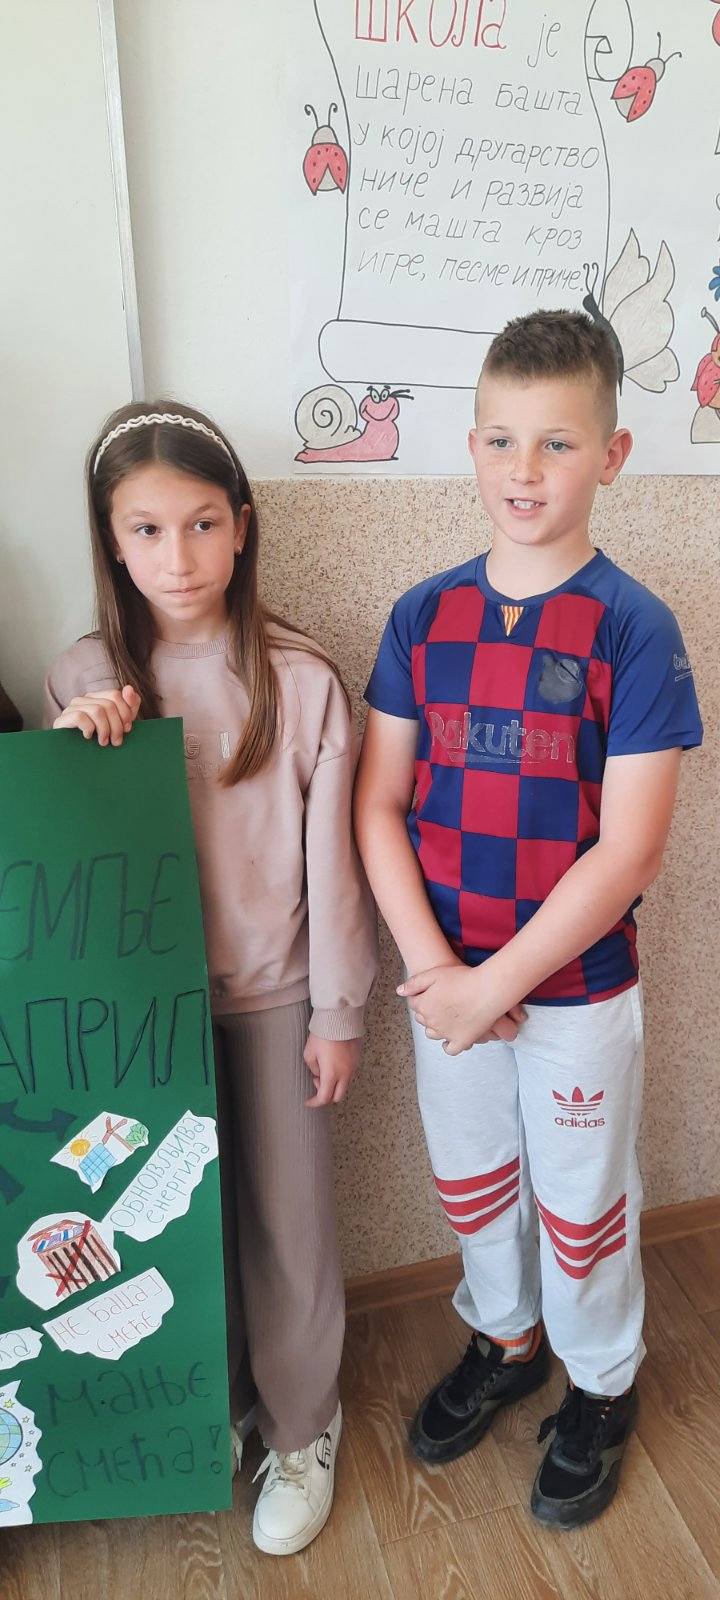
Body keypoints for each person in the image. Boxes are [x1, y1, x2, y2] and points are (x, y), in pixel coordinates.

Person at [354, 311, 703, 1529]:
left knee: (581, 1199)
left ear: (611, 455)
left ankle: (602, 1380)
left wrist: (496, 981)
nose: (525, 468)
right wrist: (439, 970)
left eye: (558, 442)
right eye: (502, 438)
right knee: (474, 1182)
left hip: (574, 994)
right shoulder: (422, 616)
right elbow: (378, 805)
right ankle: (505, 1340)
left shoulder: (634, 627)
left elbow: (630, 848)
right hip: (443, 985)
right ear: (470, 446)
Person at [45, 400, 377, 1557]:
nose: (176, 557)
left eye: (200, 524)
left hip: (272, 998)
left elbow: (335, 866)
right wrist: (77, 744)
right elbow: (69, 855)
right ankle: (217, 1402)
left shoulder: (302, 677)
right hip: (144, 1012)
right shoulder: (84, 672)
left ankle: (303, 1422)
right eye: (145, 530)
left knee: (288, 1223)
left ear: (241, 526)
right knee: (176, 1221)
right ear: (111, 539)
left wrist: (337, 1011)